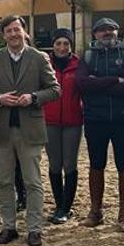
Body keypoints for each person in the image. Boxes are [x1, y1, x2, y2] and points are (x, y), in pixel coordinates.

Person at [0, 16, 61, 246]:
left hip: (30, 129)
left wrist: (33, 97)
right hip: (2, 129)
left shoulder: (39, 58)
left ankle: (34, 229)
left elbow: (55, 89)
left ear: (25, 32)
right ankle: (8, 226)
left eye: (17, 29)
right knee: (4, 181)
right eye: (8, 31)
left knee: (33, 181)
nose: (13, 34)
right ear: (3, 35)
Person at [76, 17, 124, 231]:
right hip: (95, 119)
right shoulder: (87, 56)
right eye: (102, 30)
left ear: (117, 32)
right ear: (95, 34)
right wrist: (114, 80)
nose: (107, 33)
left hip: (123, 119)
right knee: (96, 165)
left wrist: (99, 83)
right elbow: (83, 84)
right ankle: (96, 211)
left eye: (111, 30)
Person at [43, 28, 83, 225]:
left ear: (71, 45)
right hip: (49, 120)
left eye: (66, 43)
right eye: (58, 43)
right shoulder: (45, 63)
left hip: (72, 121)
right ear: (53, 45)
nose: (62, 47)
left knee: (70, 164)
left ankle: (66, 207)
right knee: (54, 164)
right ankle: (59, 204)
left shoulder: (78, 64)